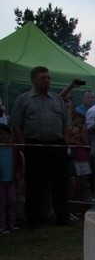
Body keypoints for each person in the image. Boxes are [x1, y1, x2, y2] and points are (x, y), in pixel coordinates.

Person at [9, 66, 71, 227]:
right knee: (35, 184)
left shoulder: (57, 99)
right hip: (34, 146)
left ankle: (62, 217)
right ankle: (34, 220)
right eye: (43, 77)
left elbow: (66, 123)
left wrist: (64, 141)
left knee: (61, 183)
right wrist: (23, 144)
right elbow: (16, 124)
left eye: (48, 77)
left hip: (56, 146)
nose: (47, 80)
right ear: (34, 79)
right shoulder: (23, 99)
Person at [0, 124, 23, 233]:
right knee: (2, 202)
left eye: (4, 134)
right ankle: (2, 225)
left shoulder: (14, 148)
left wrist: (18, 173)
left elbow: (19, 162)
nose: (2, 137)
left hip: (12, 180)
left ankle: (12, 223)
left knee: (13, 201)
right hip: (1, 181)